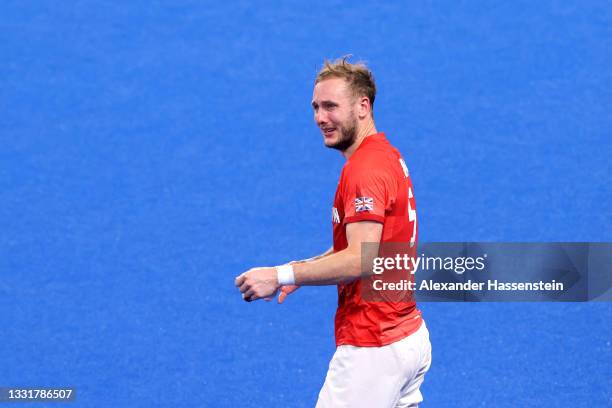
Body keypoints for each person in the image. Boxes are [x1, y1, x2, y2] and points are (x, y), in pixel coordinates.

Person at [235, 57, 432, 408]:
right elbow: (370, 242)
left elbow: (361, 258)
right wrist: (305, 268)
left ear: (362, 106)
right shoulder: (386, 155)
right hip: (408, 337)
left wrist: (279, 275)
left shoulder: (364, 170)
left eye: (330, 106)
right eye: (315, 107)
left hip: (373, 350)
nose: (320, 118)